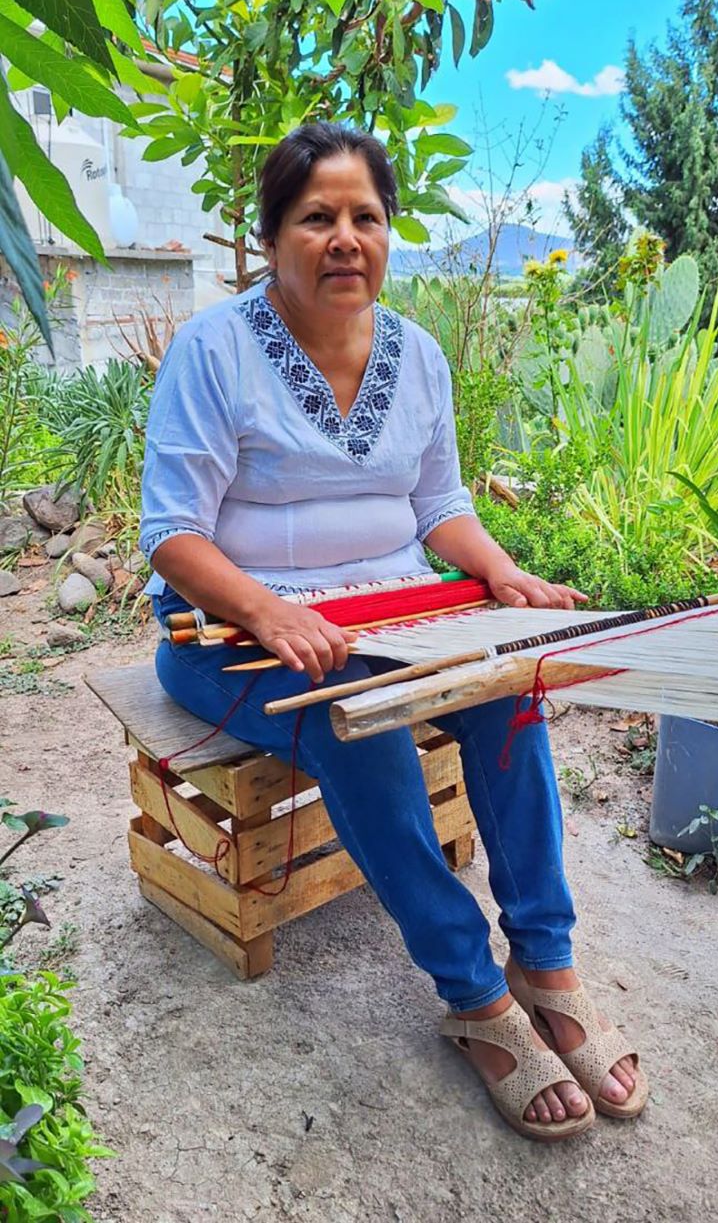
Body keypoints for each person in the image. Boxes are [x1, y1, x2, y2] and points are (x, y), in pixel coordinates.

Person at [140, 122, 647, 1142]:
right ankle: (473, 995)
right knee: (358, 721)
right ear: (271, 235)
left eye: (362, 216)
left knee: (511, 692)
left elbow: (437, 503)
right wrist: (273, 609)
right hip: (231, 631)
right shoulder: (213, 350)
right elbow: (173, 534)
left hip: (398, 610)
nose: (342, 238)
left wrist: (499, 571)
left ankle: (543, 958)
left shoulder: (415, 354)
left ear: (388, 231)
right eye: (314, 217)